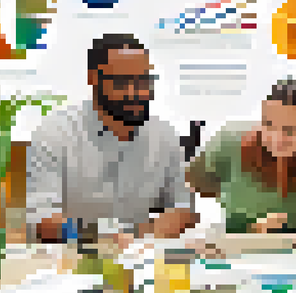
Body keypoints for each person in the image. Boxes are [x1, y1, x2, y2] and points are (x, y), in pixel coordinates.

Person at [28, 33, 199, 242]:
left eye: (143, 81)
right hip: (74, 257)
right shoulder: (54, 134)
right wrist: (98, 237)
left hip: (139, 259)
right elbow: (40, 219)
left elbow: (182, 207)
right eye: (121, 82)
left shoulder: (164, 135)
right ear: (93, 79)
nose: (134, 92)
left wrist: (146, 239)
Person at [186, 79, 296, 245]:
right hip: (237, 249)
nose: (276, 140)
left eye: (289, 131)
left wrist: (280, 241)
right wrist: (252, 230)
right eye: (268, 125)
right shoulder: (230, 141)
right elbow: (190, 186)